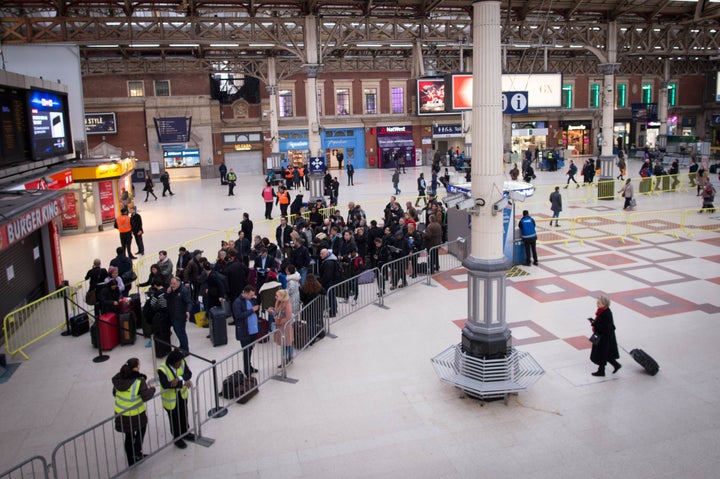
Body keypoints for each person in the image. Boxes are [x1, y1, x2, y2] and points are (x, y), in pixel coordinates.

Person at [112, 358, 156, 466]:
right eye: (139, 365)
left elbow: (114, 393)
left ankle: (131, 460)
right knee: (142, 428)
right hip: (135, 414)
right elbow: (146, 396)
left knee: (128, 437)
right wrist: (152, 389)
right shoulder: (138, 381)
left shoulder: (119, 378)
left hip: (121, 414)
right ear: (136, 368)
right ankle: (137, 451)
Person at [157, 350, 194, 449]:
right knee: (174, 418)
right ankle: (177, 438)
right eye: (178, 363)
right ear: (173, 363)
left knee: (183, 413)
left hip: (182, 395)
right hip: (170, 399)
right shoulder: (162, 370)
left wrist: (179, 378)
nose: (180, 363)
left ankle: (185, 432)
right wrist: (182, 384)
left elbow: (188, 374)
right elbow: (166, 385)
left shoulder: (181, 362)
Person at [589, 296, 621, 377]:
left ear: (604, 304)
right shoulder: (602, 311)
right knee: (605, 354)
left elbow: (606, 327)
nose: (597, 304)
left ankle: (601, 371)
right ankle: (615, 365)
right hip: (602, 336)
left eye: (599, 302)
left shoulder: (606, 313)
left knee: (602, 354)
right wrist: (595, 322)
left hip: (604, 338)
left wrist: (594, 323)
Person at [233, 285, 261, 376]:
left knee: (250, 350)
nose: (252, 297)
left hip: (253, 330)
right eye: (250, 295)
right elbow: (238, 316)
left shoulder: (251, 300)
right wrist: (252, 310)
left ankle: (249, 366)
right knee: (246, 351)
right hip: (244, 331)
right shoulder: (237, 302)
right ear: (244, 293)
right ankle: (247, 369)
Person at [268, 289, 294, 367]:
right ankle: (287, 358)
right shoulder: (278, 302)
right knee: (284, 344)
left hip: (285, 327)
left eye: (277, 296)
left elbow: (288, 317)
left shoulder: (287, 304)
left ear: (282, 296)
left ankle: (287, 358)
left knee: (287, 343)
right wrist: (272, 310)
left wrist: (280, 321)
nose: (275, 297)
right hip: (280, 326)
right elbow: (277, 311)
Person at [167, 276, 192, 356]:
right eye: (171, 283)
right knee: (176, 330)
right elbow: (166, 298)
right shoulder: (172, 290)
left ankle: (186, 349)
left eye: (174, 284)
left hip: (180, 315)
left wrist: (188, 311)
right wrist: (168, 292)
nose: (172, 285)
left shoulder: (184, 291)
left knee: (181, 332)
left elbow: (189, 302)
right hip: (173, 315)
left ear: (178, 282)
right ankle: (182, 345)